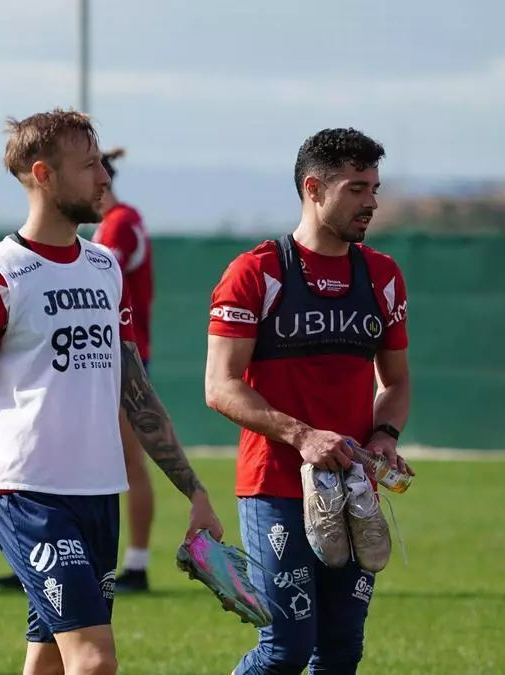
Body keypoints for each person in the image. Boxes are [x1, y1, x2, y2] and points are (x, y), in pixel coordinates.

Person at [0, 108, 223, 675]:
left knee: (49, 663)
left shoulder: (105, 268)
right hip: (28, 496)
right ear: (44, 175)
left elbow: (136, 392)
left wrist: (194, 491)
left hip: (99, 494)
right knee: (94, 661)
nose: (104, 177)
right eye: (89, 165)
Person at [203, 127, 415, 674]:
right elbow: (220, 385)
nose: (371, 202)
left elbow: (395, 383)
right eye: (356, 189)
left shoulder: (383, 276)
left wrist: (384, 436)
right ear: (313, 189)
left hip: (355, 491)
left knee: (341, 652)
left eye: (374, 188)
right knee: (285, 650)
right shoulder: (257, 272)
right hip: (274, 486)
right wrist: (302, 435)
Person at [0, 145, 158, 594]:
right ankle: (43, 557)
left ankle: (136, 563)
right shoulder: (112, 225)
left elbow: (86, 280)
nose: (96, 180)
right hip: (95, 355)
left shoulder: (117, 226)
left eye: (97, 169)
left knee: (127, 460)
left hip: (114, 357)